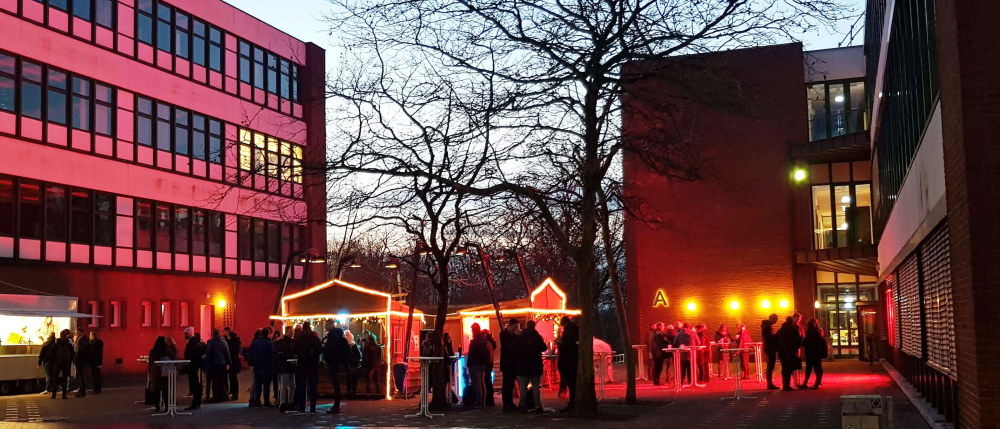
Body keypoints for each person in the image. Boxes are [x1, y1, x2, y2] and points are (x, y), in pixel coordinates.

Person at [513, 320, 547, 413]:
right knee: (536, 386)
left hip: (523, 365)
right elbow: (544, 348)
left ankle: (522, 405)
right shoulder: (537, 337)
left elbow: (513, 347)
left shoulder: (521, 337)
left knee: (523, 386)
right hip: (535, 365)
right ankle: (537, 405)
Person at [293, 321, 322, 414]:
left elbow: (294, 350)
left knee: (301, 386)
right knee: (312, 386)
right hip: (313, 364)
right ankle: (313, 408)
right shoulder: (314, 338)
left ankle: (302, 407)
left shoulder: (299, 338)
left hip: (302, 364)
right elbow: (320, 350)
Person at [323, 326, 351, 413]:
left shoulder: (330, 340)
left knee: (335, 384)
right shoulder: (342, 340)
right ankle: (337, 403)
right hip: (341, 364)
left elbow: (327, 352)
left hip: (332, 364)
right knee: (339, 384)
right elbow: (348, 352)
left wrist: (327, 361)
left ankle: (336, 404)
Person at [557, 316, 579, 412]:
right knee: (572, 382)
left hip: (568, 360)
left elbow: (565, 345)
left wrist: (560, 344)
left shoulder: (568, 332)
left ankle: (572, 402)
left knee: (570, 381)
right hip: (573, 359)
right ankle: (573, 400)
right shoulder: (575, 330)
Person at [250, 328, 275, 408]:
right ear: (268, 334)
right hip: (266, 366)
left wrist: (252, 364)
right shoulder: (269, 343)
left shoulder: (255, 342)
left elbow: (251, 353)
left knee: (258, 384)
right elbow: (272, 355)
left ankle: (257, 401)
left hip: (257, 366)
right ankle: (266, 401)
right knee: (266, 385)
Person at [467, 323, 491, 408]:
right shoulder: (483, 340)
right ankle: (482, 402)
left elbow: (472, 353)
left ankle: (479, 402)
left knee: (477, 383)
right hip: (482, 364)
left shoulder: (475, 341)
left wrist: (469, 363)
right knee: (482, 383)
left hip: (475, 364)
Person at [499, 318, 520, 411]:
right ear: (510, 325)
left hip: (513, 363)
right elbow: (508, 347)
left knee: (511, 384)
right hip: (507, 363)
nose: (516, 329)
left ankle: (510, 402)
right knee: (506, 383)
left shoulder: (513, 336)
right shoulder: (503, 335)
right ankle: (506, 403)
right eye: (515, 327)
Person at [777, 316, 803, 391]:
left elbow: (777, 340)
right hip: (790, 351)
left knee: (784, 368)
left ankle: (785, 384)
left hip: (782, 352)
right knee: (788, 369)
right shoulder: (792, 330)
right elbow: (797, 340)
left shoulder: (781, 330)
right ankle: (787, 385)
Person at [206, 328, 232, 403]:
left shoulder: (211, 342)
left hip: (214, 364)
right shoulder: (223, 342)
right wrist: (229, 363)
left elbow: (209, 353)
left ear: (213, 333)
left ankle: (216, 397)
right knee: (221, 380)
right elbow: (227, 353)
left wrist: (207, 363)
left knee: (215, 381)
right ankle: (223, 396)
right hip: (222, 364)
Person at [274, 326, 297, 412]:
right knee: (285, 385)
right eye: (291, 331)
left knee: (292, 385)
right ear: (286, 332)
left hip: (290, 366)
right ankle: (283, 403)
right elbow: (280, 354)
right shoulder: (283, 342)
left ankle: (288, 402)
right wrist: (290, 358)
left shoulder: (290, 342)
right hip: (285, 366)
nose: (292, 333)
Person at [801, 318, 827, 389]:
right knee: (818, 368)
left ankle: (807, 383)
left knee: (809, 369)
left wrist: (801, 339)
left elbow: (805, 342)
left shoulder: (809, 332)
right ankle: (817, 383)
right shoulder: (818, 331)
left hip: (810, 353)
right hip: (816, 353)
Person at [183, 327, 205, 410]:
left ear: (189, 334)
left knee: (194, 383)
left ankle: (196, 403)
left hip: (192, 366)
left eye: (185, 333)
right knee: (195, 383)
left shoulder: (192, 343)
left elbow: (191, 354)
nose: (184, 335)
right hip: (194, 365)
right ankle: (196, 402)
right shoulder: (196, 342)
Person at [148, 336, 172, 411]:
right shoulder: (167, 350)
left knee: (156, 390)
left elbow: (150, 362)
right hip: (165, 372)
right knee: (165, 390)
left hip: (155, 372)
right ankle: (167, 407)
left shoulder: (153, 351)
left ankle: (157, 407)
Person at [51, 329, 75, 400]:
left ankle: (53, 395)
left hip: (57, 363)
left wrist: (54, 361)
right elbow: (72, 354)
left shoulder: (56, 344)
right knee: (65, 378)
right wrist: (69, 361)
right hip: (66, 363)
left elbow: (52, 354)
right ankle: (64, 395)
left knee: (55, 378)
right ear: (66, 336)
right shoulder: (69, 344)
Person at [761, 314, 779, 390]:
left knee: (770, 366)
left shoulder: (766, 326)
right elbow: (769, 338)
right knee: (770, 366)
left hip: (768, 348)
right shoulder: (767, 327)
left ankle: (770, 383)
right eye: (775, 320)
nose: (775, 322)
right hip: (770, 348)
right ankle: (769, 384)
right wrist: (776, 336)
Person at [223, 327, 242, 401]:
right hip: (236, 363)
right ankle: (234, 393)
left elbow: (230, 354)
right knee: (233, 378)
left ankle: (234, 393)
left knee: (232, 379)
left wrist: (228, 363)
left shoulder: (231, 344)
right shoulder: (236, 342)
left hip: (232, 363)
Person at [74, 329, 92, 397]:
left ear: (80, 332)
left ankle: (82, 392)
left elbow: (80, 350)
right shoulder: (86, 339)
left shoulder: (81, 340)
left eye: (77, 332)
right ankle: (82, 391)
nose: (76, 334)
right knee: (83, 376)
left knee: (81, 376)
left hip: (81, 360)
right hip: (85, 360)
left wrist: (76, 358)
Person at [345, 331, 362, 399]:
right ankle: (353, 394)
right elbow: (359, 355)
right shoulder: (354, 346)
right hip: (354, 365)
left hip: (349, 365)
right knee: (354, 381)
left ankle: (349, 394)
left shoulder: (346, 347)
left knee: (349, 381)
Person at [483, 329, 497, 406]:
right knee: (488, 381)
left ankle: (488, 399)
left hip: (487, 364)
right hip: (490, 364)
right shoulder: (492, 342)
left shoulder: (487, 343)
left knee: (486, 381)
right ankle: (490, 399)